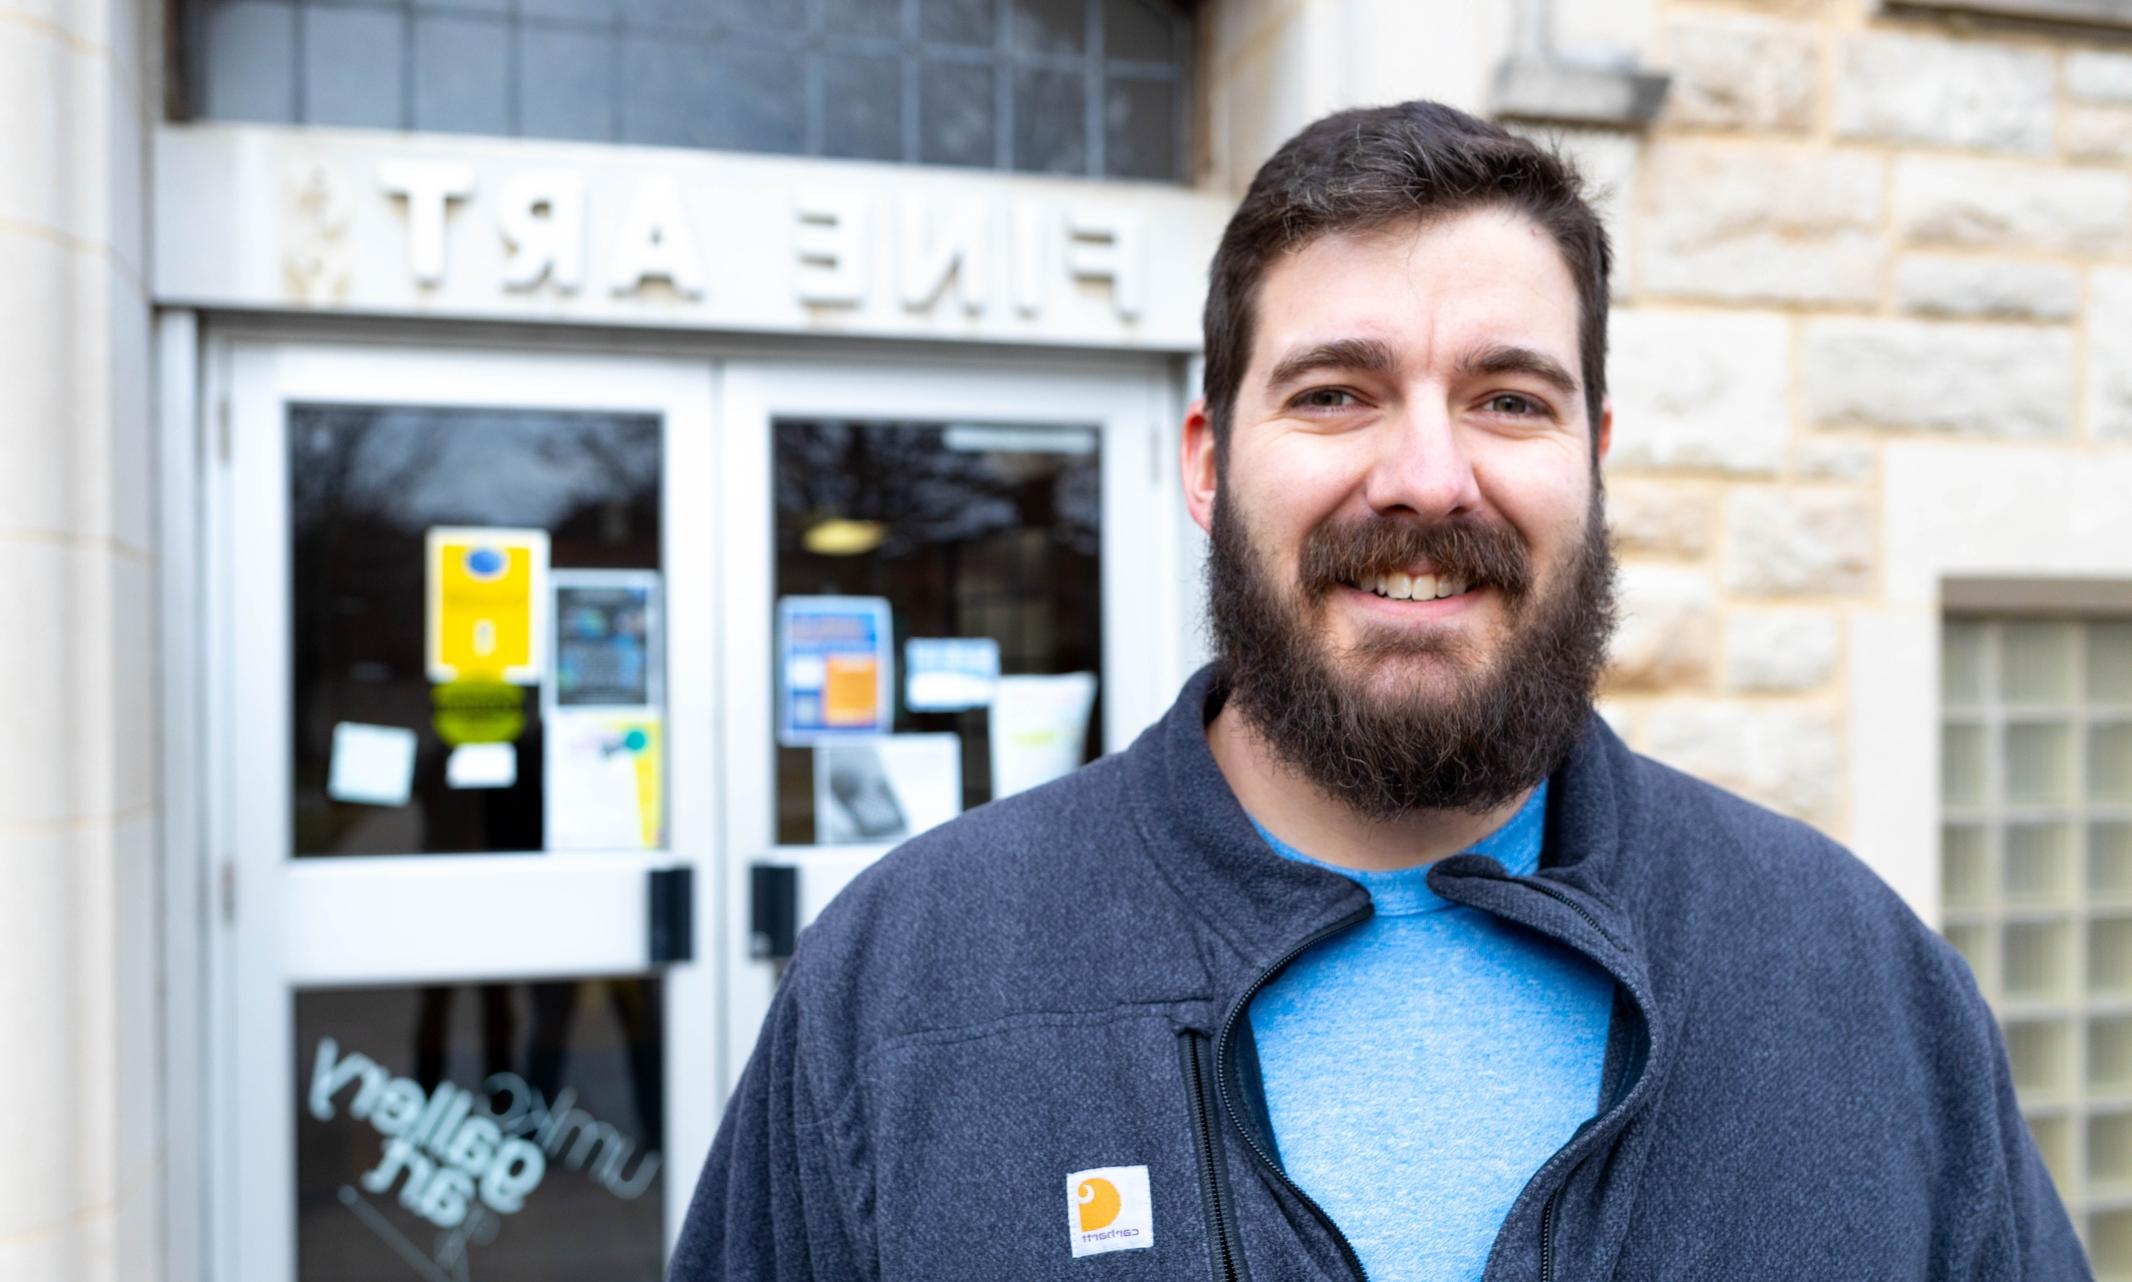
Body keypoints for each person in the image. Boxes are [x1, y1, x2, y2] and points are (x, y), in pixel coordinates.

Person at [669, 100, 2088, 1281]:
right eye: (1337, 392)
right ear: (1208, 460)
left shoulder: (1863, 985)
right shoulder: (908, 986)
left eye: (1507, 398)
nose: (1424, 473)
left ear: (1595, 455)